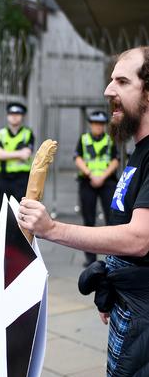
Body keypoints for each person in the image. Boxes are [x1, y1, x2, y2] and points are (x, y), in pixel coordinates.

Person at [19, 47, 149, 377]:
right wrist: (110, 272)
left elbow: (140, 238)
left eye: (122, 81)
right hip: (131, 317)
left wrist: (52, 229)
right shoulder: (138, 151)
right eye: (111, 79)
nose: (109, 89)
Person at [74, 110, 120, 266]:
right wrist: (91, 175)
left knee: (112, 219)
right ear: (90, 124)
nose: (98, 127)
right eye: (95, 123)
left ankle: (113, 256)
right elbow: (78, 158)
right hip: (88, 181)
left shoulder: (110, 140)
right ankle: (90, 258)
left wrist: (102, 177)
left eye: (101, 124)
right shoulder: (83, 139)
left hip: (107, 182)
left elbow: (115, 160)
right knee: (88, 219)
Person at [0, 102, 35, 213]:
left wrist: (5, 154)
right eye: (11, 113)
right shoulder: (0, 134)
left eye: (17, 114)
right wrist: (18, 153)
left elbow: (26, 155)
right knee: (2, 212)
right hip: (3, 178)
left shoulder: (28, 134)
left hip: (21, 179)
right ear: (7, 116)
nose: (14, 116)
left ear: (22, 116)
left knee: (20, 211)